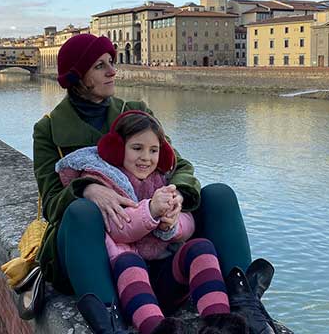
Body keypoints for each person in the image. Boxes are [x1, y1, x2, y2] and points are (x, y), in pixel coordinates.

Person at [33, 34, 279, 334]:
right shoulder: (48, 129)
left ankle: (242, 303)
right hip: (101, 252)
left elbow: (178, 165)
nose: (113, 71)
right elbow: (50, 203)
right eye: (100, 66)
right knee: (82, 212)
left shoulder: (135, 110)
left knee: (219, 195)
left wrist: (177, 199)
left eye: (112, 62)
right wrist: (85, 189)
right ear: (77, 76)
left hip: (159, 249)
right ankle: (110, 320)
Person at [54, 111, 248, 333]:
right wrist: (151, 211)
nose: (146, 157)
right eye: (137, 149)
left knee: (201, 248)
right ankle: (156, 329)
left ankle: (221, 321)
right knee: (130, 263)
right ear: (118, 150)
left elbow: (188, 223)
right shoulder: (106, 182)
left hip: (165, 275)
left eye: (153, 151)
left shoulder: (163, 178)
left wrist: (172, 223)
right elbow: (119, 228)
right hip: (126, 281)